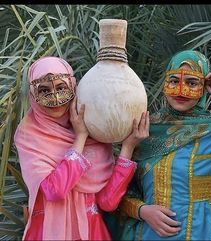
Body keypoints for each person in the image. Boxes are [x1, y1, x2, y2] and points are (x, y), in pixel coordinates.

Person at [14, 56, 149, 240]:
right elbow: (55, 191)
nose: (55, 98)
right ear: (33, 94)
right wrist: (80, 138)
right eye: (44, 90)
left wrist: (127, 148)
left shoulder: (96, 130)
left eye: (61, 88)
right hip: (48, 233)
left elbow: (108, 202)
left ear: (73, 86)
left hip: (91, 232)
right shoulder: (29, 134)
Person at [117, 49, 211, 240]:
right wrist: (141, 210)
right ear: (165, 83)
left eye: (192, 82)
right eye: (174, 81)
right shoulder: (145, 129)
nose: (182, 90)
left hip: (201, 233)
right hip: (147, 234)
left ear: (204, 87)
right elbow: (118, 189)